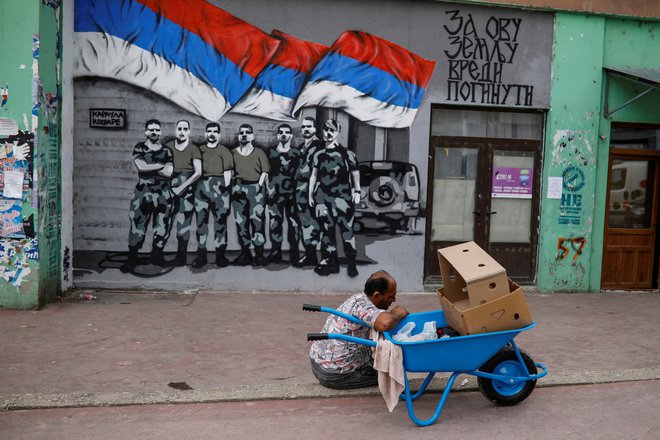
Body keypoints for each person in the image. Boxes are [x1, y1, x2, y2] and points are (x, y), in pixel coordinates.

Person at [309, 270, 409, 389]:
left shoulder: (358, 298)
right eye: (391, 296)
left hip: (318, 363)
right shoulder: (364, 307)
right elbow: (385, 324)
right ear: (376, 295)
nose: (394, 300)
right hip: (335, 374)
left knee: (381, 361)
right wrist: (397, 314)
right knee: (391, 374)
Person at [308, 119, 361, 277]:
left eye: (331, 130)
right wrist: (310, 194)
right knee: (326, 231)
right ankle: (332, 263)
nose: (328, 133)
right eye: (325, 129)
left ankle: (351, 262)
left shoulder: (347, 154)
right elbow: (314, 175)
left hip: (342, 198)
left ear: (337, 132)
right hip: (323, 198)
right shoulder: (318, 154)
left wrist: (357, 191)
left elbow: (355, 173)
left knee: (346, 231)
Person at [120, 119, 173, 273]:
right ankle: (132, 258)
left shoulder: (167, 151)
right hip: (143, 193)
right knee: (138, 225)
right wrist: (161, 166)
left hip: (163, 193)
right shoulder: (140, 148)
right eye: (151, 130)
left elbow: (169, 172)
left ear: (160, 132)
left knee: (162, 226)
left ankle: (157, 256)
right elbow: (141, 167)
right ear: (146, 132)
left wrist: (151, 168)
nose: (154, 132)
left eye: (157, 130)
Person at [192, 122, 234, 268]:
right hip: (202, 188)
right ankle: (201, 256)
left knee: (220, 224)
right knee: (201, 223)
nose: (212, 134)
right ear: (205, 134)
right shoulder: (199, 150)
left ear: (219, 134)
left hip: (220, 189)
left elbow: (228, 172)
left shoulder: (224, 151)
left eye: (215, 131)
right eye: (209, 131)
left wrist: (224, 189)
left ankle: (220, 256)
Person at [231, 124, 270, 266]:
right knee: (241, 222)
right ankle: (245, 253)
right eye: (241, 132)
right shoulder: (233, 153)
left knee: (257, 221)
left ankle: (259, 254)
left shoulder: (259, 152)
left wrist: (258, 186)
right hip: (238, 188)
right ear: (238, 136)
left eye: (247, 132)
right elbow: (229, 171)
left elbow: (265, 171)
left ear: (252, 136)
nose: (244, 134)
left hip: (255, 188)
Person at [166, 120, 203, 266]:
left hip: (186, 189)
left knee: (183, 223)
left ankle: (181, 257)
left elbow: (198, 172)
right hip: (169, 187)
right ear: (176, 130)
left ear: (189, 131)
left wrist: (182, 187)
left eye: (185, 128)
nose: (182, 131)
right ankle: (157, 255)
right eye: (179, 128)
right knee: (164, 221)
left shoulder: (193, 148)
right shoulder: (168, 146)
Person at [266, 123, 303, 264]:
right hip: (275, 194)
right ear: (277, 135)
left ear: (291, 135)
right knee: (275, 223)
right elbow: (266, 173)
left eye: (286, 132)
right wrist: (268, 190)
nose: (283, 134)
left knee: (294, 223)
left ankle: (294, 253)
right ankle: (276, 252)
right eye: (281, 132)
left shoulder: (296, 153)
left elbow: (301, 173)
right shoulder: (270, 152)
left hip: (292, 194)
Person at [292, 117, 322, 267]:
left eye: (309, 127)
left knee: (320, 223)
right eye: (303, 127)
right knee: (306, 222)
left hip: (316, 190)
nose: (305, 130)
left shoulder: (321, 146)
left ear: (315, 129)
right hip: (301, 189)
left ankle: (326, 257)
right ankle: (311, 255)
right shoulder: (301, 147)